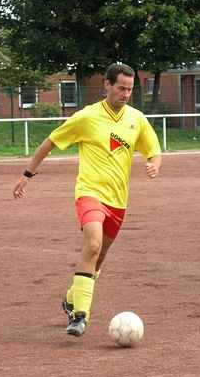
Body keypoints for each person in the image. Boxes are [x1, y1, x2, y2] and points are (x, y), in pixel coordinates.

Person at [12, 63, 162, 338]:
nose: (126, 94)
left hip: (118, 201)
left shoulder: (136, 119)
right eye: (120, 88)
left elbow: (154, 150)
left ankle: (72, 297)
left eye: (129, 89)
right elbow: (50, 142)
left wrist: (154, 164)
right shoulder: (86, 117)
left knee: (98, 260)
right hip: (90, 193)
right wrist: (27, 174)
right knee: (92, 244)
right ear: (106, 85)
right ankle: (80, 315)